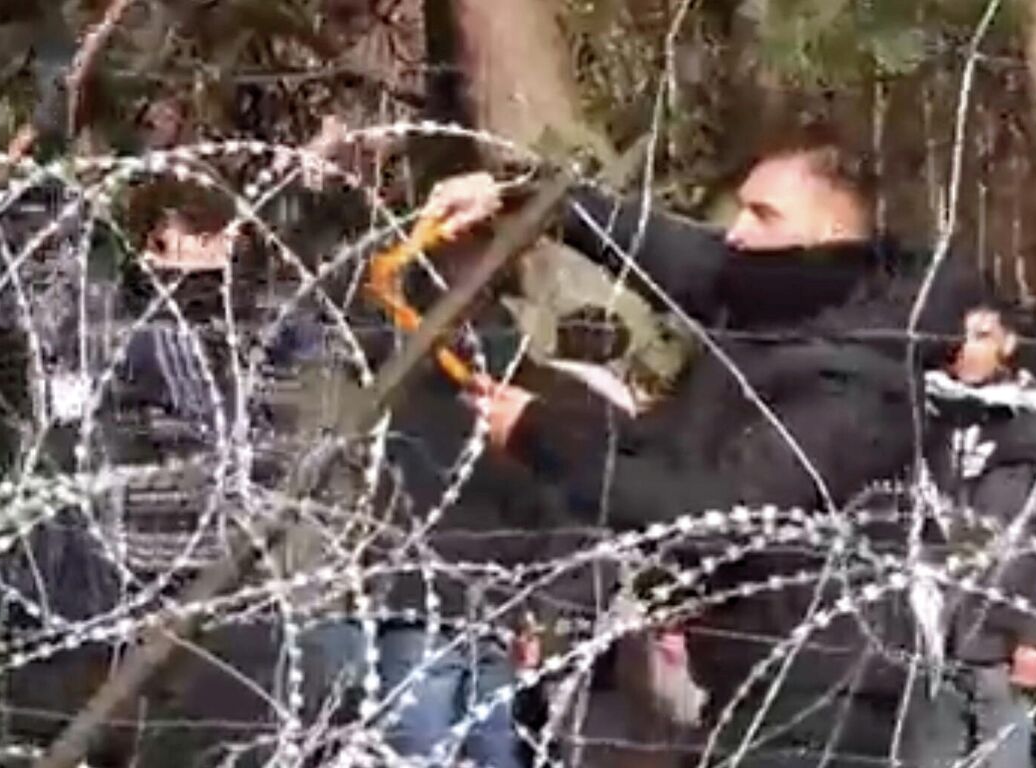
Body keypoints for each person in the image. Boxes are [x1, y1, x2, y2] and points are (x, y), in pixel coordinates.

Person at [420, 120, 993, 765]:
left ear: (829, 232)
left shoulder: (858, 379)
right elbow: (662, 245)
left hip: (823, 694)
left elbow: (719, 512)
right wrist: (523, 197)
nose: (737, 232)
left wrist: (542, 435)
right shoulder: (778, 300)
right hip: (756, 673)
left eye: (763, 214)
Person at [910, 303, 1036, 768]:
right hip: (925, 643)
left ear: (1009, 344)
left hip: (1001, 644)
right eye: (960, 336)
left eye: (982, 336)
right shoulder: (920, 419)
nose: (966, 350)